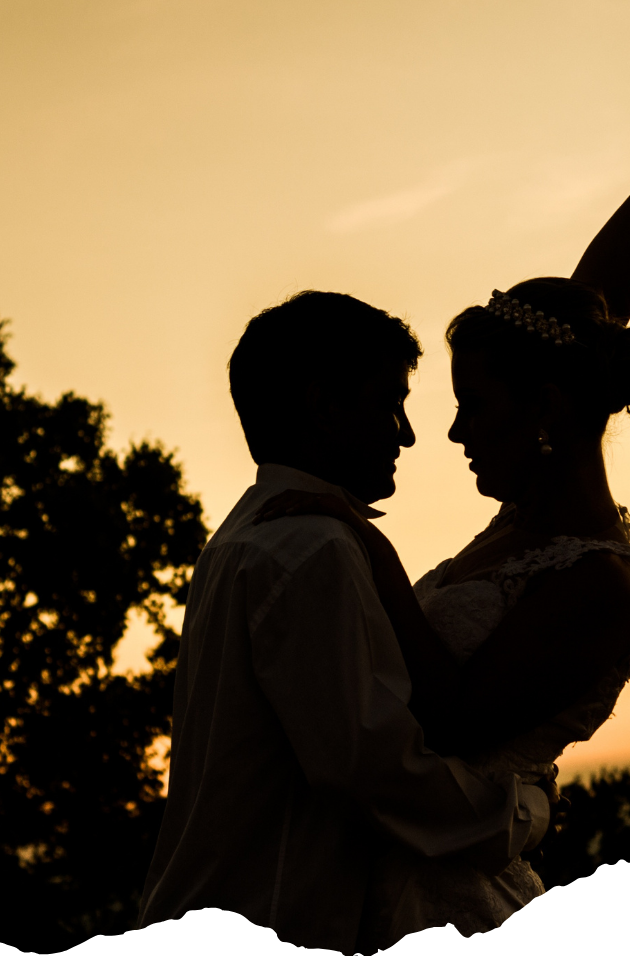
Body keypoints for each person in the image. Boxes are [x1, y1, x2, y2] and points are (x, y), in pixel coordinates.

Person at [252, 64, 630, 953]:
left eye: (472, 403)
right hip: (360, 877)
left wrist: (364, 545)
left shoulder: (603, 583)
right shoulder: (522, 521)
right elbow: (590, 308)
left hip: (444, 910)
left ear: (544, 411)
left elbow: (455, 716)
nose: (455, 431)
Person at [135, 291, 553, 954]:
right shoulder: (313, 548)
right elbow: (371, 770)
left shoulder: (240, 537)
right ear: (324, 407)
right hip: (268, 932)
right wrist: (525, 812)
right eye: (390, 403)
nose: (406, 434)